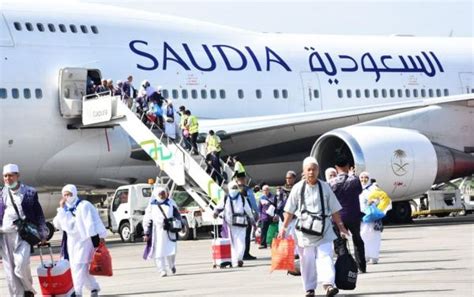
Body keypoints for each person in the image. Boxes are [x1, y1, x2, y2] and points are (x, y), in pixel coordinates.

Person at [279, 157, 348, 297]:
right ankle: (309, 288)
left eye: (314, 169)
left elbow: (334, 210)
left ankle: (328, 284)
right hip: (304, 231)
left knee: (326, 256)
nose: (311, 172)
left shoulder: (325, 187)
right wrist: (283, 229)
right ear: (304, 171)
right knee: (307, 260)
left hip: (324, 229)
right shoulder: (298, 188)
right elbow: (289, 211)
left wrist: (341, 227)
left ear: (318, 171)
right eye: (308, 169)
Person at [0, 164, 48, 297]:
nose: (7, 178)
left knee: (20, 267)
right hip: (5, 236)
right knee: (10, 272)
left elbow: (39, 214)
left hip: (24, 235)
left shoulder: (29, 192)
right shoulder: (1, 192)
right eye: (5, 176)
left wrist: (43, 233)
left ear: (17, 176)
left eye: (10, 175)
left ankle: (29, 290)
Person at [53, 184, 107, 297]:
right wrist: (61, 210)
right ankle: (94, 287)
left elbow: (93, 222)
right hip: (71, 242)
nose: (67, 197)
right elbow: (58, 224)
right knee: (81, 266)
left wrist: (99, 237)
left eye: (69, 194)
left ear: (75, 193)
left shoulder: (84, 206)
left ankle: (77, 292)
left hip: (84, 241)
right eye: (65, 195)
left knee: (79, 265)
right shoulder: (65, 208)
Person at [330, 155, 366, 273]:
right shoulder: (354, 180)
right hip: (354, 215)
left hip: (338, 216)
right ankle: (361, 266)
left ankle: (344, 265)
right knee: (357, 239)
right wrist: (352, 175)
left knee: (340, 242)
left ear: (336, 167)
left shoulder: (331, 183)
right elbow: (360, 191)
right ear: (348, 166)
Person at [213, 181, 256, 267]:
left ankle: (238, 259)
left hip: (240, 224)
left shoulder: (242, 198)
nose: (234, 190)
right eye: (233, 188)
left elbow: (248, 210)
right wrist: (216, 212)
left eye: (235, 188)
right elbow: (219, 207)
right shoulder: (226, 198)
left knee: (240, 242)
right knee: (233, 242)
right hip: (230, 224)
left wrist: (252, 219)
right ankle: (235, 259)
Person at [143, 186, 179, 277]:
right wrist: (146, 233)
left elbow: (177, 215)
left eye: (164, 193)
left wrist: (178, 223)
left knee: (171, 250)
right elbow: (147, 219)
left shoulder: (171, 203)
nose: (163, 195)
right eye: (160, 194)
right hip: (157, 232)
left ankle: (172, 265)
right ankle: (162, 270)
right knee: (158, 251)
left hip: (169, 231)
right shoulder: (152, 204)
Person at [359, 174, 392, 264]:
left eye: (366, 177)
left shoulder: (374, 188)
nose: (363, 179)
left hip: (374, 217)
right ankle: (366, 255)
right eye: (361, 177)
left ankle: (374, 256)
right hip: (362, 217)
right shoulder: (358, 189)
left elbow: (384, 199)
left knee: (374, 237)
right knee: (363, 236)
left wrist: (374, 203)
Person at [235, 176, 259, 260]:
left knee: (238, 236)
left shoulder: (233, 190)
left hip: (236, 217)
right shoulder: (247, 189)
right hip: (246, 216)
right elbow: (252, 203)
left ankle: (238, 254)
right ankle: (245, 254)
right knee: (246, 235)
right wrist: (256, 212)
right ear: (244, 180)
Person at [276, 170, 298, 256]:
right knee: (283, 235)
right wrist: (278, 213)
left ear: (294, 178)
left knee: (294, 236)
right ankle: (285, 253)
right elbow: (278, 203)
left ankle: (294, 253)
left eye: (290, 178)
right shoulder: (281, 190)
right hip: (283, 216)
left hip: (294, 217)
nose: (288, 180)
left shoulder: (297, 188)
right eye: (287, 178)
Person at [257, 185, 278, 249]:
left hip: (272, 216)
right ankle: (263, 244)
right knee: (263, 230)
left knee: (274, 230)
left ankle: (273, 243)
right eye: (264, 190)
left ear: (269, 190)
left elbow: (276, 206)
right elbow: (259, 208)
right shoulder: (261, 198)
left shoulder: (273, 197)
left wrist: (276, 215)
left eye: (267, 190)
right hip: (264, 216)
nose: (265, 191)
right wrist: (260, 217)